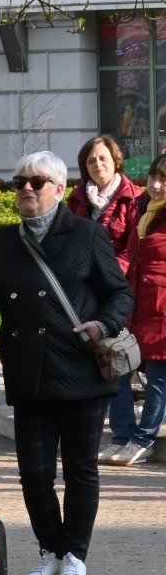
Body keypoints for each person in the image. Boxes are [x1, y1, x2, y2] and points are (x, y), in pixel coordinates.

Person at [0, 150, 132, 575]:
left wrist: (104, 324)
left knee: (79, 470)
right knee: (34, 472)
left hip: (81, 372)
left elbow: (120, 295)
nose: (27, 190)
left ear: (58, 189)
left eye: (36, 182)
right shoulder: (1, 243)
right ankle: (50, 550)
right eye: (19, 183)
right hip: (29, 371)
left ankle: (75, 555)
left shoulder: (87, 235)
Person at [109, 152, 166, 466]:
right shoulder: (143, 210)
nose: (156, 185)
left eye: (164, 179)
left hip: (161, 311)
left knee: (158, 377)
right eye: (154, 177)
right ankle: (121, 436)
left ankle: (142, 440)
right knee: (119, 368)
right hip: (135, 304)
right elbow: (129, 255)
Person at [68, 134, 146, 272]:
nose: (98, 164)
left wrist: (110, 273)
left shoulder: (135, 198)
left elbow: (133, 249)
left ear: (115, 161)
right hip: (82, 276)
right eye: (91, 161)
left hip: (119, 277)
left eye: (103, 158)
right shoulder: (76, 199)